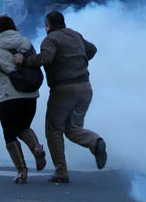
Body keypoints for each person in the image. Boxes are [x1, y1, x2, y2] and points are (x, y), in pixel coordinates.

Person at [14, 10, 106, 183]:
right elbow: (92, 49)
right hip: (85, 88)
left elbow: (46, 58)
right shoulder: (75, 35)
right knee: (73, 129)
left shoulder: (50, 39)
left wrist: (24, 61)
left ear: (48, 25)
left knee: (54, 130)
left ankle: (61, 172)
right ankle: (96, 142)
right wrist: (78, 62)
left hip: (64, 89)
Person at [0, 15, 47, 184]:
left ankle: (22, 171)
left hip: (8, 98)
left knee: (10, 133)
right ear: (13, 27)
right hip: (31, 95)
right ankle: (37, 148)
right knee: (24, 126)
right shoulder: (26, 43)